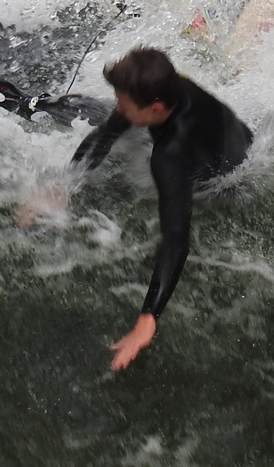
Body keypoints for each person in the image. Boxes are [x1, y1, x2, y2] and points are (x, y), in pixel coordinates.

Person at [19, 46, 254, 370]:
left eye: (126, 104)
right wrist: (63, 187)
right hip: (238, 135)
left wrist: (147, 319)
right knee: (101, 117)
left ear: (156, 108)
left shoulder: (170, 154)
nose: (120, 108)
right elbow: (107, 133)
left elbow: (176, 240)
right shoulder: (171, 87)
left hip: (229, 180)